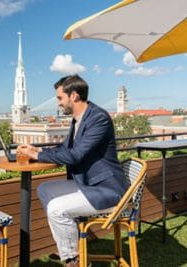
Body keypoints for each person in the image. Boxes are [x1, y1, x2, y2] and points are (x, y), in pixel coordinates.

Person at [17, 74, 128, 267]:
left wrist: (37, 157)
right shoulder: (79, 119)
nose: (58, 103)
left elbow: (75, 155)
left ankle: (73, 260)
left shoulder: (98, 118)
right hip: (88, 184)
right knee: (45, 189)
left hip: (108, 190)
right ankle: (68, 246)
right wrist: (38, 151)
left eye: (60, 98)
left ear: (74, 96)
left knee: (56, 209)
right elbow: (65, 148)